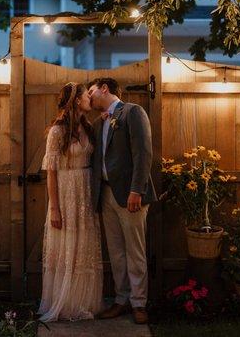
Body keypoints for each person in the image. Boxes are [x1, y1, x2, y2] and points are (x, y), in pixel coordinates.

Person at [88, 77, 157, 325]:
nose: (90, 96)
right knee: (116, 253)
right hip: (105, 194)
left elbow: (143, 153)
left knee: (135, 251)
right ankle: (121, 299)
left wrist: (137, 190)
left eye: (91, 91)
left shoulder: (133, 112)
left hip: (130, 195)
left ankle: (139, 303)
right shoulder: (99, 123)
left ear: (104, 89)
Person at [38, 82, 104, 322]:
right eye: (87, 95)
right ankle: (65, 303)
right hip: (66, 193)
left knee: (83, 248)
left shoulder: (88, 127)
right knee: (67, 248)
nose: (90, 98)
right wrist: (54, 208)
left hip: (85, 193)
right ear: (77, 100)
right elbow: (51, 173)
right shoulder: (57, 131)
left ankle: (82, 301)